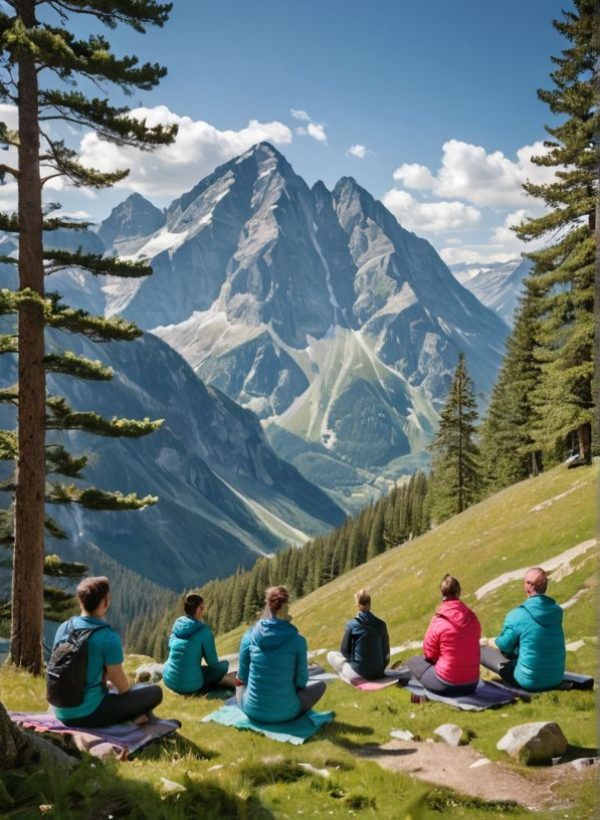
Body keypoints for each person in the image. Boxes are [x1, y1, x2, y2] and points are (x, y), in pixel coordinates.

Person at [50, 576, 163, 727]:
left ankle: (136, 715)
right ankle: (136, 716)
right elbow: (122, 687)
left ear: (80, 601)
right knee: (155, 692)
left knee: (112, 689)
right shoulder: (108, 637)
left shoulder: (64, 627)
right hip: (88, 714)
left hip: (60, 710)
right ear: (105, 602)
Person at [236, 586, 326, 723]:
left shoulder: (249, 637)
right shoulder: (298, 641)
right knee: (321, 686)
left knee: (238, 683)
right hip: (286, 713)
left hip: (251, 710)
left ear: (268, 606)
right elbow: (301, 682)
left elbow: (242, 677)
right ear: (285, 607)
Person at [480, 567, 566, 691]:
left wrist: (489, 641)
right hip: (556, 678)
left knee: (482, 650)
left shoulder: (518, 615)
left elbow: (504, 645)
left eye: (525, 582)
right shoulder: (556, 611)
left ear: (529, 586)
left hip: (529, 682)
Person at [406, 574, 481, 696]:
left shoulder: (439, 619)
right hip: (472, 683)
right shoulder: (472, 617)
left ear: (442, 593)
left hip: (447, 684)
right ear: (458, 592)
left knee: (412, 661)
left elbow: (429, 653)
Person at [163, 592, 235, 695]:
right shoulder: (204, 631)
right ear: (196, 609)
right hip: (190, 686)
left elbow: (171, 646)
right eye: (201, 608)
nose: (203, 611)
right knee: (224, 665)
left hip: (169, 679)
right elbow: (213, 663)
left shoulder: (178, 624)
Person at [327, 589, 390, 682]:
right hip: (378, 671)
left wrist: (353, 662)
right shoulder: (381, 624)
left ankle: (347, 675)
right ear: (370, 604)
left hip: (360, 671)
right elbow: (386, 652)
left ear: (358, 605)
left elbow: (344, 650)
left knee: (331, 655)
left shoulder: (352, 625)